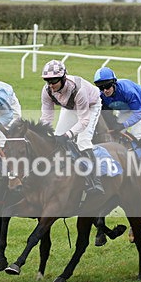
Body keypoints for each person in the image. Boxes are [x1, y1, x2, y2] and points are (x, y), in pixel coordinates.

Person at [40, 59, 104, 195]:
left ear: (63, 78)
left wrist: (68, 135)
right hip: (70, 107)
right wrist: (42, 133)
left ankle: (95, 181)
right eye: (48, 81)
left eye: (54, 81)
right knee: (57, 139)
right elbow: (46, 117)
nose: (50, 85)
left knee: (82, 140)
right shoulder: (47, 91)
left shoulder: (78, 89)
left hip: (91, 106)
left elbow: (84, 120)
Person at [93, 66, 141, 149]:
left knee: (137, 133)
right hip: (125, 107)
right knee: (116, 132)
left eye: (107, 86)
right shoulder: (101, 95)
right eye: (101, 87)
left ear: (114, 83)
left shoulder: (128, 91)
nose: (105, 90)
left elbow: (138, 113)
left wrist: (123, 125)